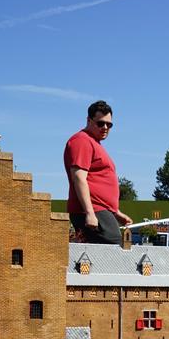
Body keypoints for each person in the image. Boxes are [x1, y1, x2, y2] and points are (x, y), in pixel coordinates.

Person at [64, 100, 132, 244]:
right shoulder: (81, 141)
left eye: (109, 124)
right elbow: (79, 178)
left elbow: (98, 180)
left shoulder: (94, 143)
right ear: (88, 120)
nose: (105, 127)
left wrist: (116, 213)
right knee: (113, 247)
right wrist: (90, 212)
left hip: (100, 210)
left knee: (111, 251)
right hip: (92, 211)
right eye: (100, 123)